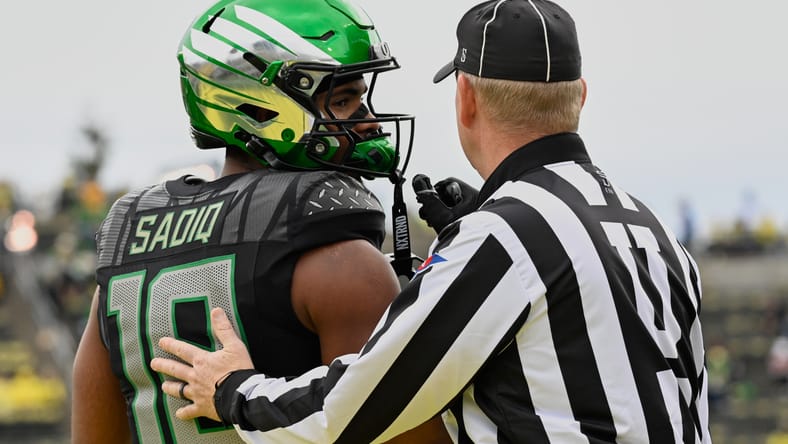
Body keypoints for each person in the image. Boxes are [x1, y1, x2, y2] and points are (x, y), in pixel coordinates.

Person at [151, 0, 711, 442]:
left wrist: (234, 392)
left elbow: (354, 409)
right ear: (580, 96)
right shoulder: (650, 228)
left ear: (465, 97)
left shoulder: (506, 238)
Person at [71, 0, 449, 442]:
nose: (366, 121)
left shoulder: (124, 261)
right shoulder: (342, 263)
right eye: (343, 100)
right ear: (261, 108)